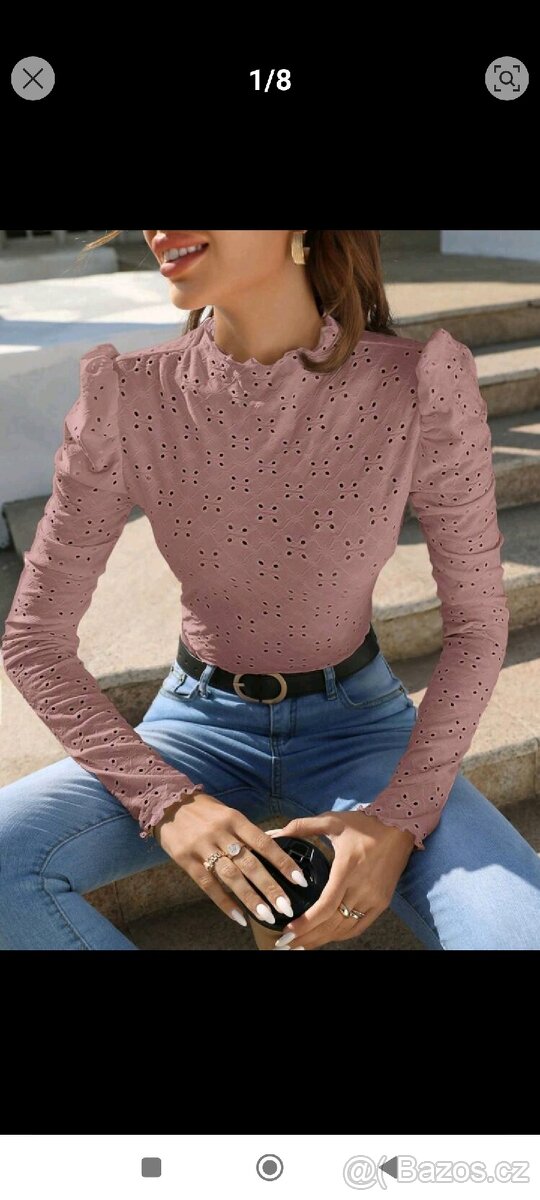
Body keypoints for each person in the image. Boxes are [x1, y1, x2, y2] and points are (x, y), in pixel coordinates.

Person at [1, 229, 539, 952]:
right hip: (195, 725)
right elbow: (33, 640)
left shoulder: (418, 385)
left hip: (361, 729)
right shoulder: (128, 395)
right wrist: (167, 802)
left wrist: (398, 818)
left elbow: (477, 626)